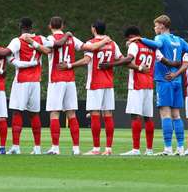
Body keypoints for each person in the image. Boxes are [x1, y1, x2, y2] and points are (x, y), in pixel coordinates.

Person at [41, 17, 109, 155]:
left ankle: (55, 147)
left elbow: (52, 47)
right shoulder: (73, 39)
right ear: (63, 25)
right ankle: (76, 148)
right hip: (70, 80)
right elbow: (91, 47)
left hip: (56, 79)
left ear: (50, 26)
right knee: (71, 114)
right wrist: (105, 40)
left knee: (54, 113)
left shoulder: (49, 38)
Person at [137, 15, 188, 156]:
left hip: (164, 80)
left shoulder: (160, 38)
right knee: (176, 115)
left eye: (156, 25)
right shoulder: (179, 40)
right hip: (177, 80)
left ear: (162, 26)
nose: (155, 28)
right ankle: (180, 148)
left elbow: (157, 45)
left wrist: (140, 39)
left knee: (165, 113)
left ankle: (167, 148)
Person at [0, 18, 49, 155]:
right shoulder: (41, 39)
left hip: (22, 80)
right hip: (36, 81)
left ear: (20, 26)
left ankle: (16, 146)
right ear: (32, 27)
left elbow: (4, 53)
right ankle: (37, 148)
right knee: (34, 114)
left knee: (17, 112)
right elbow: (50, 49)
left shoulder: (17, 41)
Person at [65, 21, 129, 155]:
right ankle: (109, 148)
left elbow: (86, 60)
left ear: (93, 29)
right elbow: (122, 59)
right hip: (108, 83)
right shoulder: (112, 43)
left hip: (95, 83)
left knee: (95, 114)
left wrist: (70, 65)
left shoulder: (91, 43)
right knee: (108, 114)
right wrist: (111, 64)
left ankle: (96, 148)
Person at [121, 27, 156, 156]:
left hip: (137, 83)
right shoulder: (151, 47)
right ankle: (150, 149)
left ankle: (136, 149)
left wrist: (139, 67)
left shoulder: (134, 45)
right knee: (148, 117)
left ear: (131, 36)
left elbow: (128, 61)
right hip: (149, 84)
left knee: (135, 116)